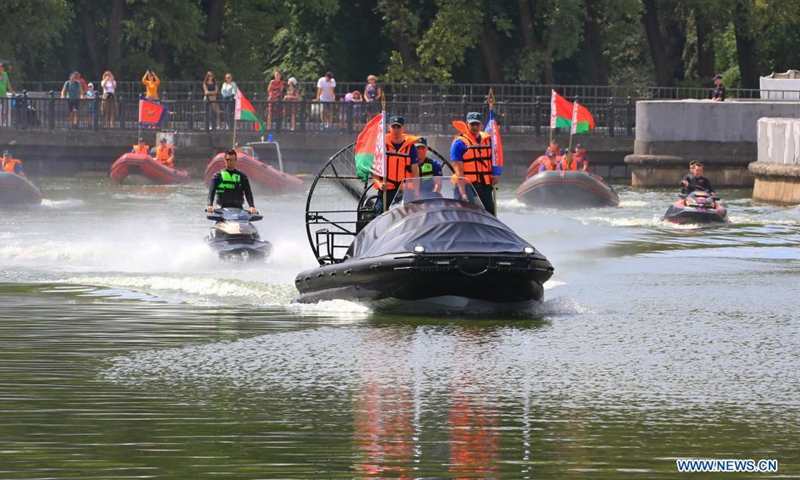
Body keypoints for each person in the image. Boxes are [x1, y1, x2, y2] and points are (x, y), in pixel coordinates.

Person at [450, 111, 497, 215]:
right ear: (467, 124)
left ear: (481, 125)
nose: (475, 127)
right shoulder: (459, 143)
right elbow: (459, 172)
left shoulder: (488, 141)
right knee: (465, 215)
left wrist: (496, 175)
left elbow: (494, 160)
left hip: (484, 186)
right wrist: (463, 193)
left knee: (490, 213)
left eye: (477, 124)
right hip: (467, 186)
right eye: (472, 124)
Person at [373, 116, 420, 214]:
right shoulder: (382, 145)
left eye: (398, 127)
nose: (396, 130)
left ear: (403, 128)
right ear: (389, 128)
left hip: (405, 190)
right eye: (393, 127)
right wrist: (380, 184)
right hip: (386, 189)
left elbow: (415, 171)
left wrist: (416, 191)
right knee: (381, 215)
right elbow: (375, 170)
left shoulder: (411, 148)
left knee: (407, 216)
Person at [206, 149, 258, 214]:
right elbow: (211, 192)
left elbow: (248, 193)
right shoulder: (217, 176)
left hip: (238, 209)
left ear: (236, 161)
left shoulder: (242, 176)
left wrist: (251, 206)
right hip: (221, 209)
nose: (231, 162)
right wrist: (210, 205)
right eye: (229, 160)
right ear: (225, 161)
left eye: (233, 160)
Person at [0, 63, 14, 127]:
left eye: (1, 67)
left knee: (5, 110)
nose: (0, 68)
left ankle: (3, 123)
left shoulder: (5, 74)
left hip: (4, 95)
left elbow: (8, 84)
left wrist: (12, 92)